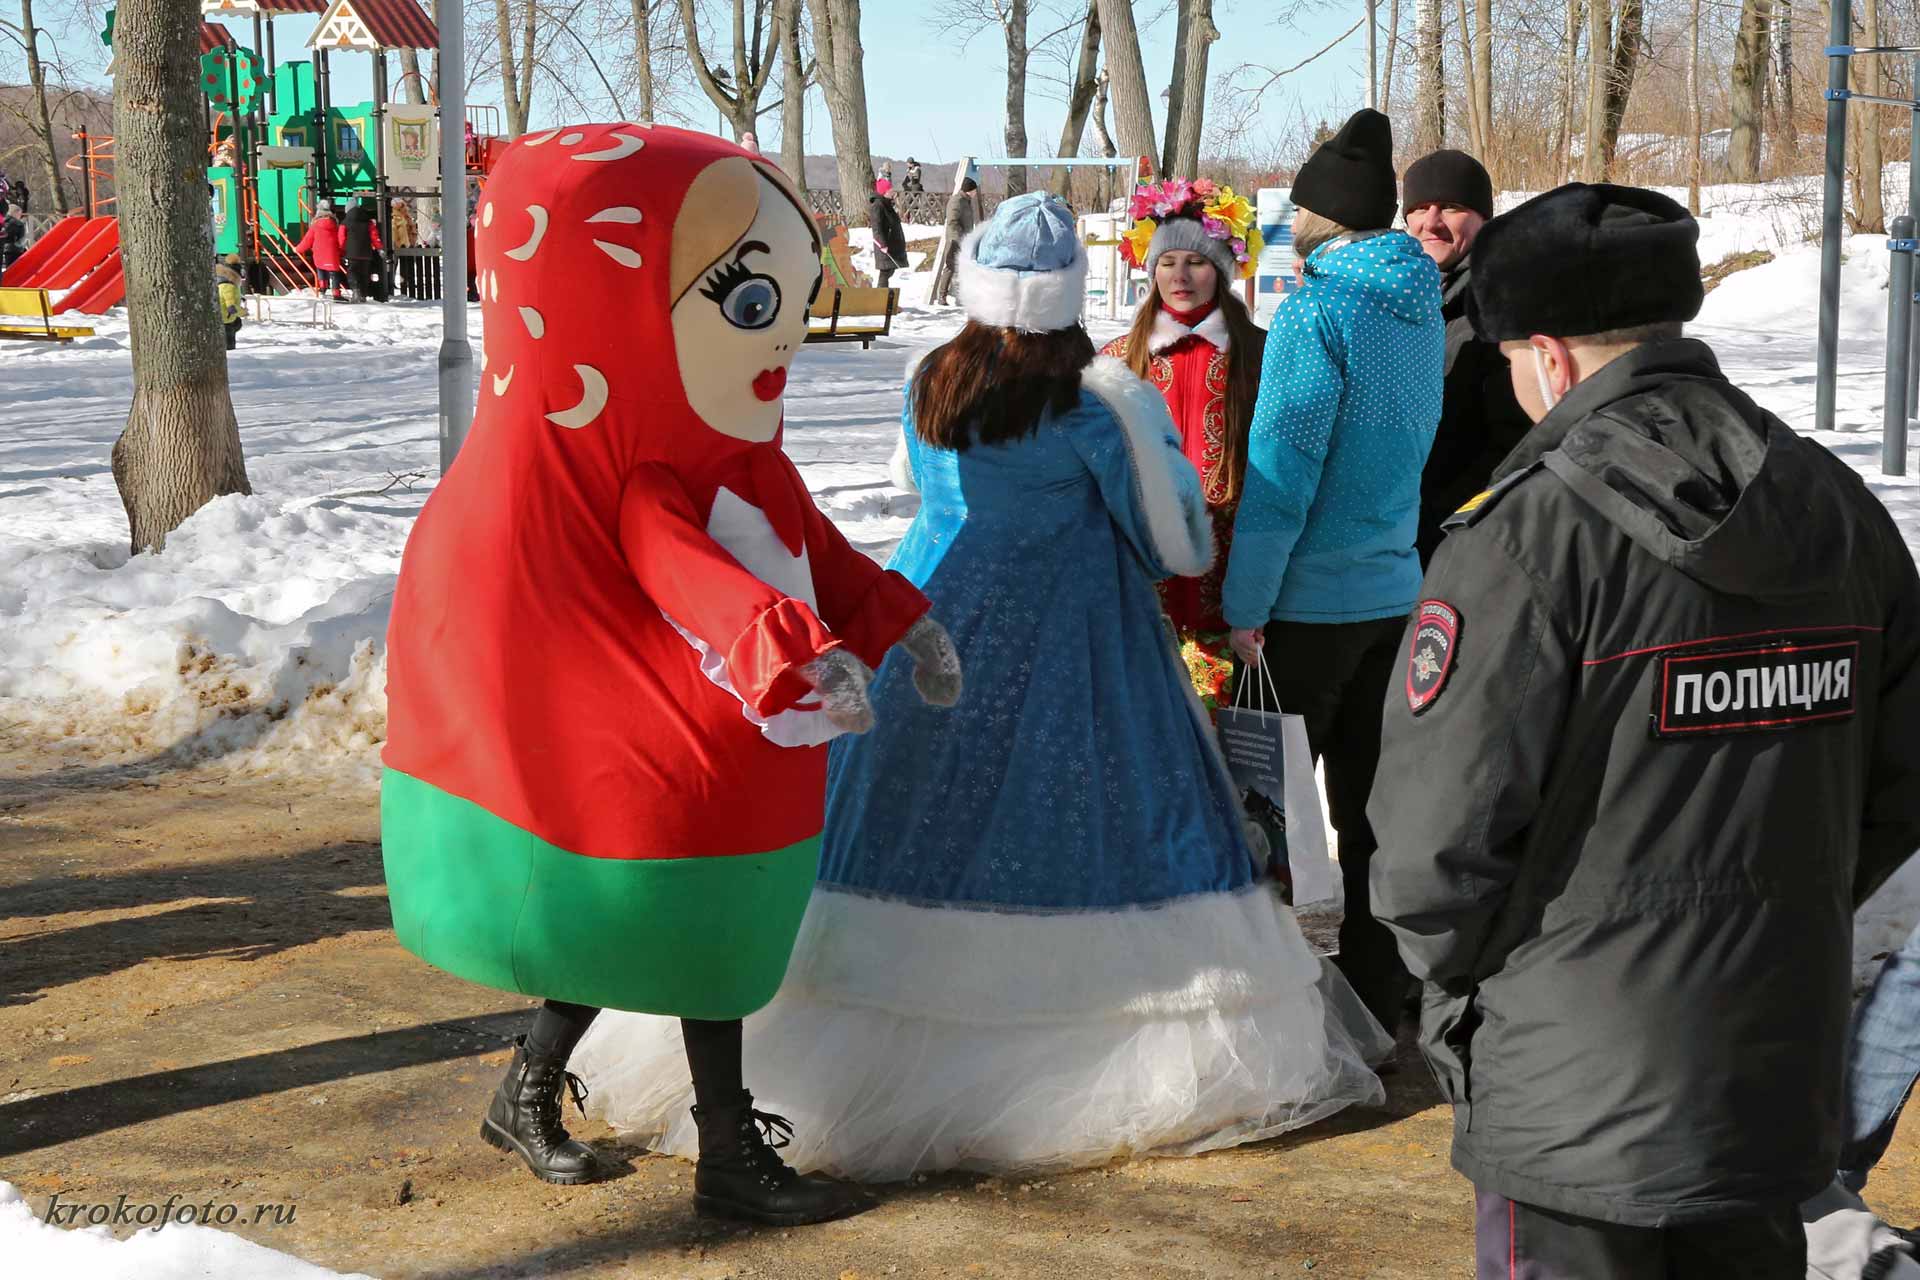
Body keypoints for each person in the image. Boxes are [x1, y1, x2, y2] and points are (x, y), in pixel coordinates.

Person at [572, 191, 1390, 1182]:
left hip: (929, 612)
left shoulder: (929, 377)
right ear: (1068, 297)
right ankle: (1084, 1054)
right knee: (1090, 817)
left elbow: (917, 482)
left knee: (900, 819)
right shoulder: (1101, 400)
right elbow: (1173, 537)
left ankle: (832, 1041)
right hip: (1081, 640)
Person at [382, 123, 957, 1227]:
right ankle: (728, 1151)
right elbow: (690, 567)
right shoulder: (647, 471)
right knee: (687, 923)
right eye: (749, 305)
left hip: (734, 717)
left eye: (788, 306)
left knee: (660, 922)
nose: (779, 341)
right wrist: (795, 653)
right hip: (685, 718)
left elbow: (807, 542)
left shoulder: (738, 451)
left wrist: (897, 617)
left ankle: (530, 1088)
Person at [1368, 182, 1920, 1278]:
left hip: (1574, 1085)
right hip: (1768, 1069)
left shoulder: (1524, 538)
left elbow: (1433, 848)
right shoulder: (1833, 503)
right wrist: (1780, 905)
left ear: (1551, 360)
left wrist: (1471, 990)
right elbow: (1899, 780)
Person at [1220, 107, 1444, 1033]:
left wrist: (1245, 600)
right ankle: (1379, 994)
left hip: (1307, 604)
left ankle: (1257, 1003)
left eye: (1300, 206)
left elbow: (1280, 466)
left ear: (1320, 213)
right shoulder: (1417, 303)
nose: (1291, 220)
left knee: (1261, 810)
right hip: (1394, 592)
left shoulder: (1317, 312)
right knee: (1370, 810)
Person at [1100, 176, 1265, 716]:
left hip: (1235, 588)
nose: (1180, 275)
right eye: (1167, 262)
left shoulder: (1260, 355)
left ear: (1220, 267)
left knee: (1221, 742)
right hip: (1143, 587)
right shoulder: (1117, 361)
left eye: (1196, 262)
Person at [1401, 150, 1533, 567]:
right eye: (1419, 208)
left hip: (1455, 543)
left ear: (1483, 219)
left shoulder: (1501, 306)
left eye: (1451, 207)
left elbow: (1512, 447)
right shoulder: (1407, 299)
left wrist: (1441, 526)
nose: (1431, 221)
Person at [929, 164, 981, 305]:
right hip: (955, 239)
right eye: (975, 190)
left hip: (963, 239)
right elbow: (952, 221)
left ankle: (959, 295)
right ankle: (942, 296)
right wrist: (959, 238)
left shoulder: (966, 201)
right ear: (969, 190)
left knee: (961, 268)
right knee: (950, 266)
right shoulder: (957, 201)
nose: (976, 193)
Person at [295, 201, 347, 299]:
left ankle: (322, 288)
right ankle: (336, 293)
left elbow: (307, 240)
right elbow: (341, 239)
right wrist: (342, 250)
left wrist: (297, 249)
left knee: (321, 268)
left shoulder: (315, 226)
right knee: (335, 272)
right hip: (332, 253)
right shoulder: (335, 225)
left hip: (319, 253)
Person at [341, 197, 384, 302]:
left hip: (351, 253)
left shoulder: (344, 222)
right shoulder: (368, 222)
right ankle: (363, 295)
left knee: (352, 272)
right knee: (364, 274)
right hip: (366, 253)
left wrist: (341, 251)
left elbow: (341, 238)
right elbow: (375, 236)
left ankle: (356, 291)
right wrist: (380, 248)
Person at [867, 178, 907, 290]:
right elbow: (877, 228)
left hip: (892, 244)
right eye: (890, 190)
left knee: (890, 270)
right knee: (885, 272)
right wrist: (882, 244)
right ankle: (880, 296)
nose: (893, 191)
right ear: (884, 192)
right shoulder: (877, 206)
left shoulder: (887, 204)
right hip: (884, 245)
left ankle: (883, 296)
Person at [213, 253, 245, 350]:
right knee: (229, 344)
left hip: (223, 317)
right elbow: (231, 307)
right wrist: (243, 312)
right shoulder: (229, 286)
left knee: (236, 324)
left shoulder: (223, 283)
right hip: (226, 318)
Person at [1, 204, 25, 273]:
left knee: (8, 269)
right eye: (19, 214)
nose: (20, 216)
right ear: (15, 212)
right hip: (14, 249)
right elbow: (21, 240)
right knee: (15, 270)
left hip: (3, 248)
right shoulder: (19, 224)